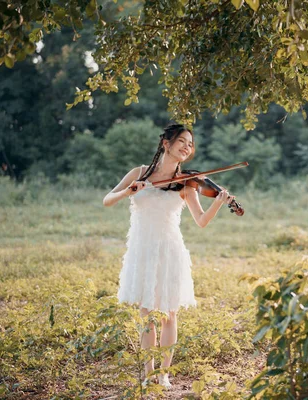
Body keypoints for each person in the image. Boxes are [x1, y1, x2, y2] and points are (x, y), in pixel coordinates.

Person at [102, 123, 235, 388]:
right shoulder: (139, 173)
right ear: (166, 143)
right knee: (146, 312)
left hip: (170, 249)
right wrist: (130, 190)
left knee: (169, 314)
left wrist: (218, 203)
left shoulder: (187, 183)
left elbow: (201, 221)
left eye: (190, 144)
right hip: (142, 250)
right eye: (182, 141)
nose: (187, 147)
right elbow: (107, 199)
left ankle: (164, 373)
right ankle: (148, 372)